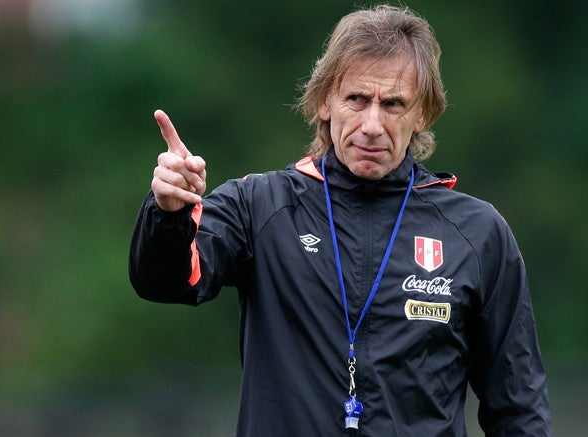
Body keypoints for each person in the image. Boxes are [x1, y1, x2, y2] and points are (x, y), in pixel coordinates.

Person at [129, 4, 551, 435]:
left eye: (393, 104)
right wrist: (170, 211)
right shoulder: (260, 205)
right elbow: (165, 281)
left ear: (422, 113)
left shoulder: (477, 234)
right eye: (357, 99)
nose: (372, 124)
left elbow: (518, 408)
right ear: (325, 101)